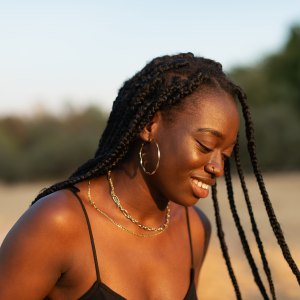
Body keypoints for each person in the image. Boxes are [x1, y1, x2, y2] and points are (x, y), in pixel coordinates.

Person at [0, 53, 298, 300]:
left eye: (226, 155)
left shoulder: (193, 228)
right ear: (149, 125)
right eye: (205, 146)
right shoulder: (59, 222)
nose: (217, 167)